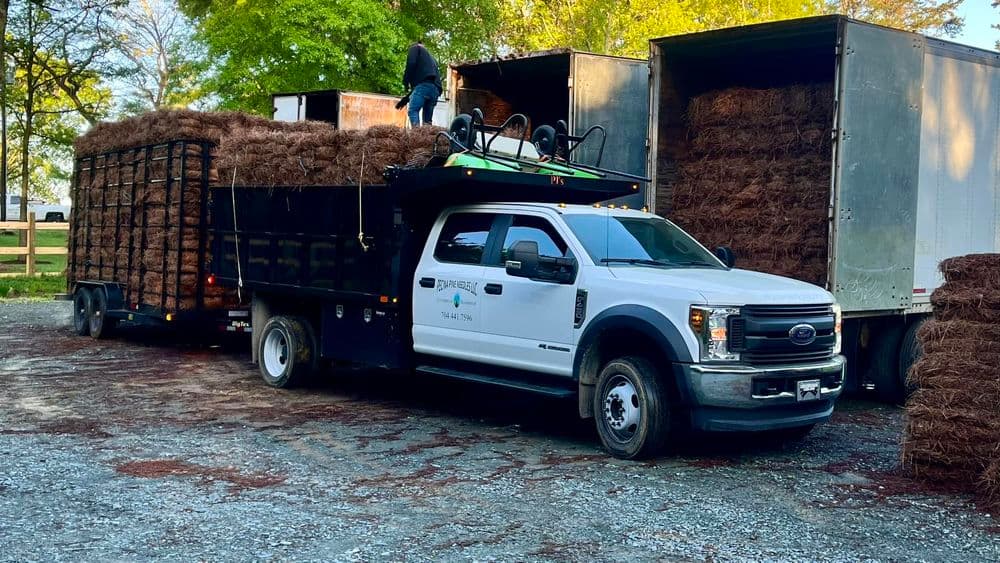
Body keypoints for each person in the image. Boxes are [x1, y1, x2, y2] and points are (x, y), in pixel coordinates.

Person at [403, 40, 442, 127]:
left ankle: (417, 136)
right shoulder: (432, 59)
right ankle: (426, 138)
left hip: (424, 86)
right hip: (435, 90)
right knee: (427, 121)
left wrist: (406, 82)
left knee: (413, 111)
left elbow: (411, 63)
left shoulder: (415, 48)